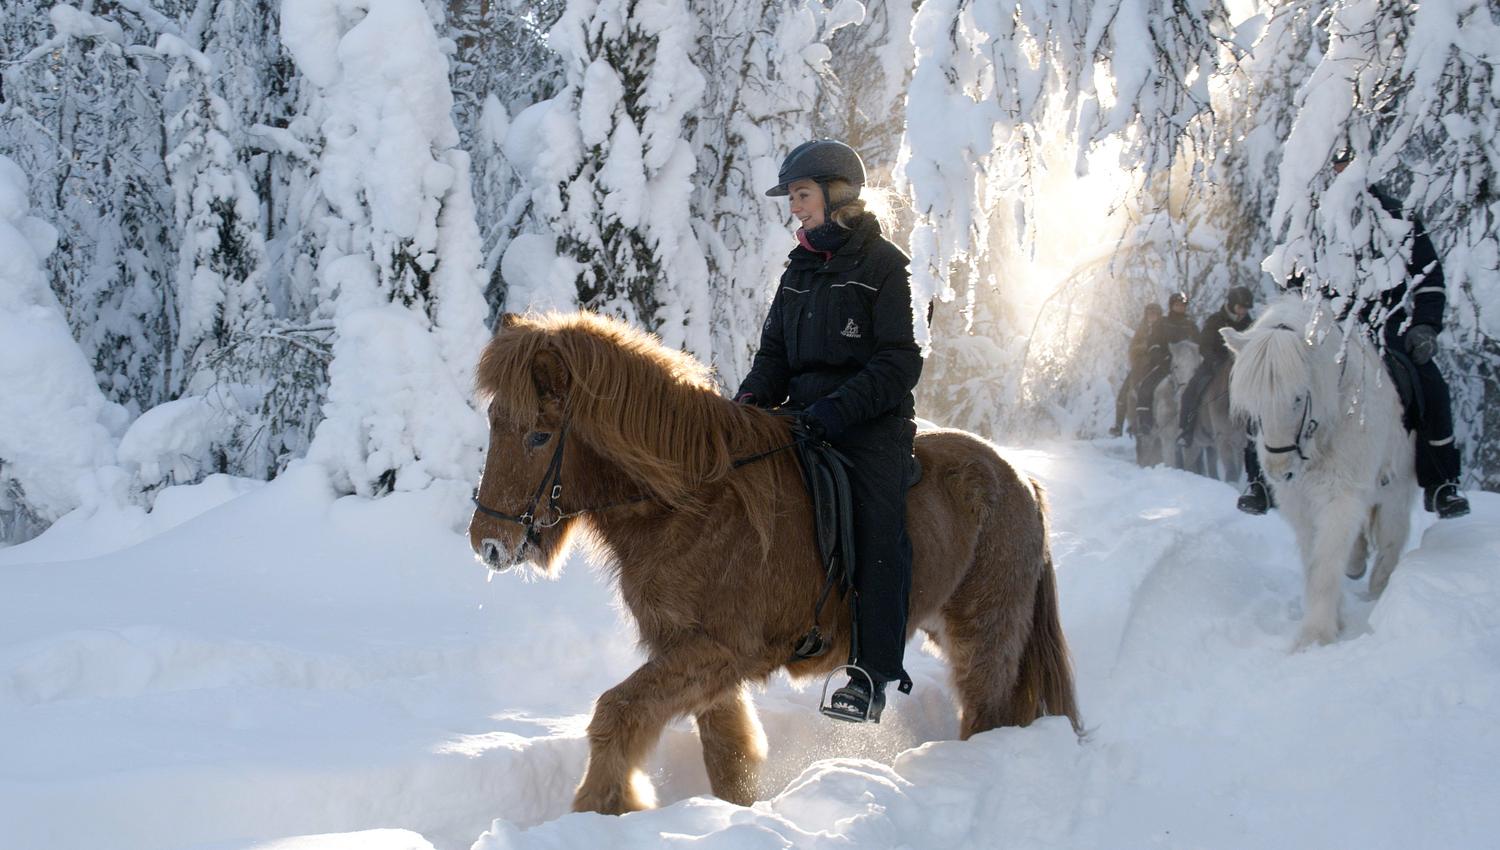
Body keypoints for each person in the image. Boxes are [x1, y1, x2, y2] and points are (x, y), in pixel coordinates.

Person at [734, 139, 923, 723]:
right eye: (791, 196)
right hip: (801, 418)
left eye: (801, 194)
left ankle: (870, 672)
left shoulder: (883, 265)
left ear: (836, 194)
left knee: (876, 531)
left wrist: (835, 411)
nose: (794, 206)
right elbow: (773, 357)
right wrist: (746, 405)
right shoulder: (797, 271)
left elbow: (899, 362)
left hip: (867, 425)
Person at [1238, 150, 1470, 519]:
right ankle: (1258, 480)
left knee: (1432, 388)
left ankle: (1442, 482)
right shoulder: (1313, 222)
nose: (1340, 169)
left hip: (1384, 332)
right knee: (1270, 383)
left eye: (1347, 161)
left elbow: (1429, 279)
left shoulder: (1397, 217)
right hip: (1322, 333)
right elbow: (1295, 282)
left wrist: (1425, 326)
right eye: (1334, 162)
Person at [1178, 286, 1254, 446]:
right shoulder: (1215, 320)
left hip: (1242, 367)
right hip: (1214, 365)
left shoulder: (1250, 324)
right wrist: (1215, 361)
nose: (1243, 312)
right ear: (1232, 304)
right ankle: (1186, 430)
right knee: (1191, 391)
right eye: (1240, 307)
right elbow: (1204, 345)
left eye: (1245, 309)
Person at [1133, 292, 1198, 435]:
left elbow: (1197, 344)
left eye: (1183, 305)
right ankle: (1146, 422)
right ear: (1171, 306)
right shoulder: (1162, 323)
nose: (1180, 308)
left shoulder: (1191, 325)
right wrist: (1158, 355)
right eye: (1177, 305)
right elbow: (1153, 342)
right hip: (1165, 363)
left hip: (1186, 366)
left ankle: (1195, 423)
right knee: (1146, 385)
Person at [1111, 302, 1164, 436]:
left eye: (1154, 313)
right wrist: (1145, 349)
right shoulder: (1141, 330)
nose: (1152, 316)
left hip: (1159, 365)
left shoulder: (1164, 328)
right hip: (1140, 366)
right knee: (1124, 393)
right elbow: (1133, 349)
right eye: (1150, 313)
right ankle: (1119, 425)